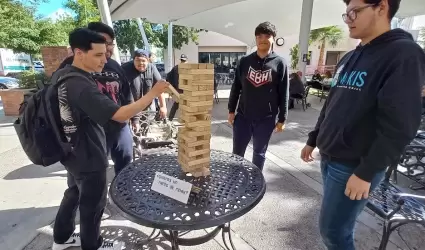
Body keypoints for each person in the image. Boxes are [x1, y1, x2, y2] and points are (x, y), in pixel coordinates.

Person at [300, 0, 425, 249]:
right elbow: (332, 103)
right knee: (340, 227)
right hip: (329, 156)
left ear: (382, 7)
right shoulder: (351, 55)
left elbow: (401, 124)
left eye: (355, 12)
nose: (348, 19)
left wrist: (367, 172)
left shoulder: (404, 53)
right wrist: (313, 138)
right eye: (346, 14)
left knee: (333, 232)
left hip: (354, 166)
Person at [52, 28, 169, 250]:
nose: (104, 59)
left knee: (76, 194)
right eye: (98, 54)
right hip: (88, 152)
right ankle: (92, 244)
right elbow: (120, 113)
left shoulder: (65, 76)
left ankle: (62, 237)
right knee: (93, 206)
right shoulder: (80, 84)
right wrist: (153, 94)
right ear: (78, 53)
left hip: (74, 150)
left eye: (107, 52)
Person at [57, 22, 133, 175]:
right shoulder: (71, 69)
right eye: (103, 43)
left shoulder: (114, 65)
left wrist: (133, 119)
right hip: (90, 131)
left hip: (118, 125)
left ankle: (122, 192)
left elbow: (125, 93)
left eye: (110, 43)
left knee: (126, 160)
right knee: (91, 174)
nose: (108, 48)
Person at [228, 21, 289, 170]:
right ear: (255, 39)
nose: (262, 39)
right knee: (237, 153)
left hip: (266, 119)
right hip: (243, 116)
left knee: (259, 153)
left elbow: (284, 92)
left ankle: (255, 184)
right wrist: (231, 110)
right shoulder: (244, 61)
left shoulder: (280, 63)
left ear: (273, 38)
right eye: (259, 36)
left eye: (267, 36)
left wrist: (282, 118)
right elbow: (236, 87)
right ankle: (234, 179)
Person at [122, 49, 167, 132]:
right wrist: (135, 119)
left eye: (143, 61)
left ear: (148, 60)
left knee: (144, 130)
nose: (141, 63)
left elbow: (160, 87)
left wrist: (163, 106)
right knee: (130, 132)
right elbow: (128, 95)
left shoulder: (152, 68)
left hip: (147, 107)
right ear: (133, 60)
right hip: (129, 107)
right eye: (137, 60)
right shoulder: (125, 69)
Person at [167, 54, 188, 121]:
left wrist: (172, 87)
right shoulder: (187, 68)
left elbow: (168, 77)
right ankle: (184, 120)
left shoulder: (176, 67)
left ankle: (170, 119)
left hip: (177, 90)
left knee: (176, 105)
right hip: (186, 90)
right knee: (185, 105)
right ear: (186, 60)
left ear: (180, 60)